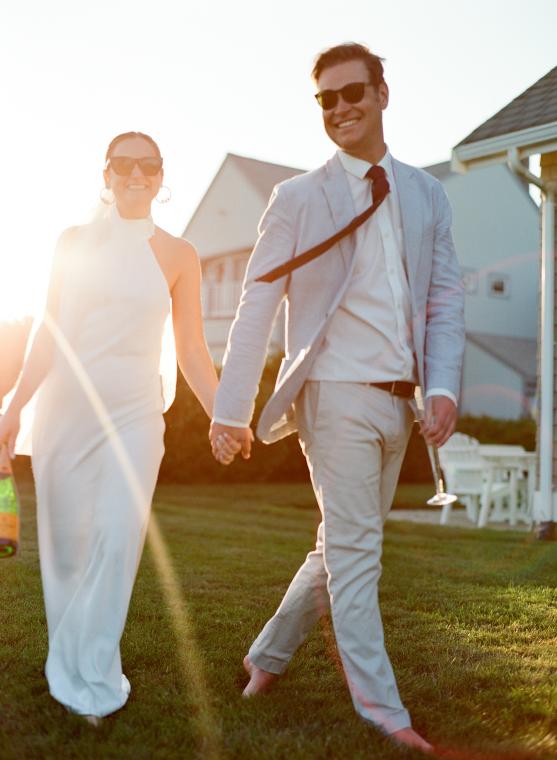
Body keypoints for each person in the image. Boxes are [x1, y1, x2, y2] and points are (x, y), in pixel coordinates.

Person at [210, 43, 465, 753]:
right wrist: (230, 410)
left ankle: (264, 660)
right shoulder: (295, 198)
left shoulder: (424, 193)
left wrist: (440, 385)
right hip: (331, 395)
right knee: (357, 551)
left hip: (397, 404)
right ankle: (382, 711)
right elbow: (256, 304)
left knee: (339, 547)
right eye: (326, 98)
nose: (340, 107)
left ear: (382, 93)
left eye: (352, 92)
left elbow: (443, 295)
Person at [0, 132, 222, 724]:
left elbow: (193, 350)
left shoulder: (180, 255)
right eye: (124, 164)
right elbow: (49, 334)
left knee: (119, 537)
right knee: (69, 549)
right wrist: (15, 407)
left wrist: (224, 414)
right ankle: (68, 661)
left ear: (160, 175)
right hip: (65, 412)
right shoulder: (72, 243)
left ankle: (93, 677)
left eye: (148, 166)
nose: (136, 175)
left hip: (135, 413)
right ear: (106, 171)